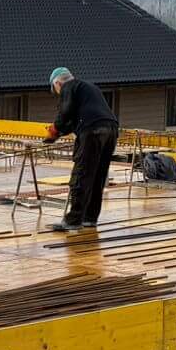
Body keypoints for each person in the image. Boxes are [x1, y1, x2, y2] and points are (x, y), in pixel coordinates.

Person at [43, 66, 118, 232]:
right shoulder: (89, 87)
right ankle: (89, 218)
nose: (58, 93)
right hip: (111, 130)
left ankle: (73, 220)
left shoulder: (69, 87)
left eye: (56, 90)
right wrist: (58, 132)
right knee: (97, 175)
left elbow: (65, 113)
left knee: (81, 175)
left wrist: (54, 129)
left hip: (92, 131)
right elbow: (73, 120)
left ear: (57, 83)